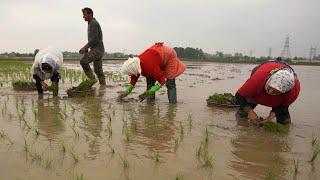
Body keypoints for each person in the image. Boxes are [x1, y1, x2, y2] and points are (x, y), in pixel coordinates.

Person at [235, 60, 300, 125]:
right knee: (241, 114)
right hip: (265, 70)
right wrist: (250, 111)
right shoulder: (256, 81)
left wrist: (269, 118)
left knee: (285, 121)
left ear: (284, 92)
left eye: (276, 91)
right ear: (269, 80)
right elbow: (239, 95)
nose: (270, 91)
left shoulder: (293, 91)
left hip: (279, 95)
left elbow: (283, 106)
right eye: (270, 87)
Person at [119, 42, 185, 104]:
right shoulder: (135, 66)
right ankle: (150, 103)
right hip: (155, 55)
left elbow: (162, 81)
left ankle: (172, 105)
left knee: (170, 83)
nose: (130, 75)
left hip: (169, 54)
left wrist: (148, 92)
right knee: (150, 81)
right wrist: (125, 93)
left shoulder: (150, 67)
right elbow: (133, 81)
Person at [79, 7, 106, 89]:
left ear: (90, 14)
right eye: (83, 15)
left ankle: (92, 79)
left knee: (83, 61)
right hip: (99, 49)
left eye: (85, 15)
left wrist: (84, 48)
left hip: (97, 49)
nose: (83, 16)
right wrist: (87, 48)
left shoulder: (93, 23)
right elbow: (93, 39)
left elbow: (94, 39)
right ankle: (103, 88)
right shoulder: (91, 23)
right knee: (98, 71)